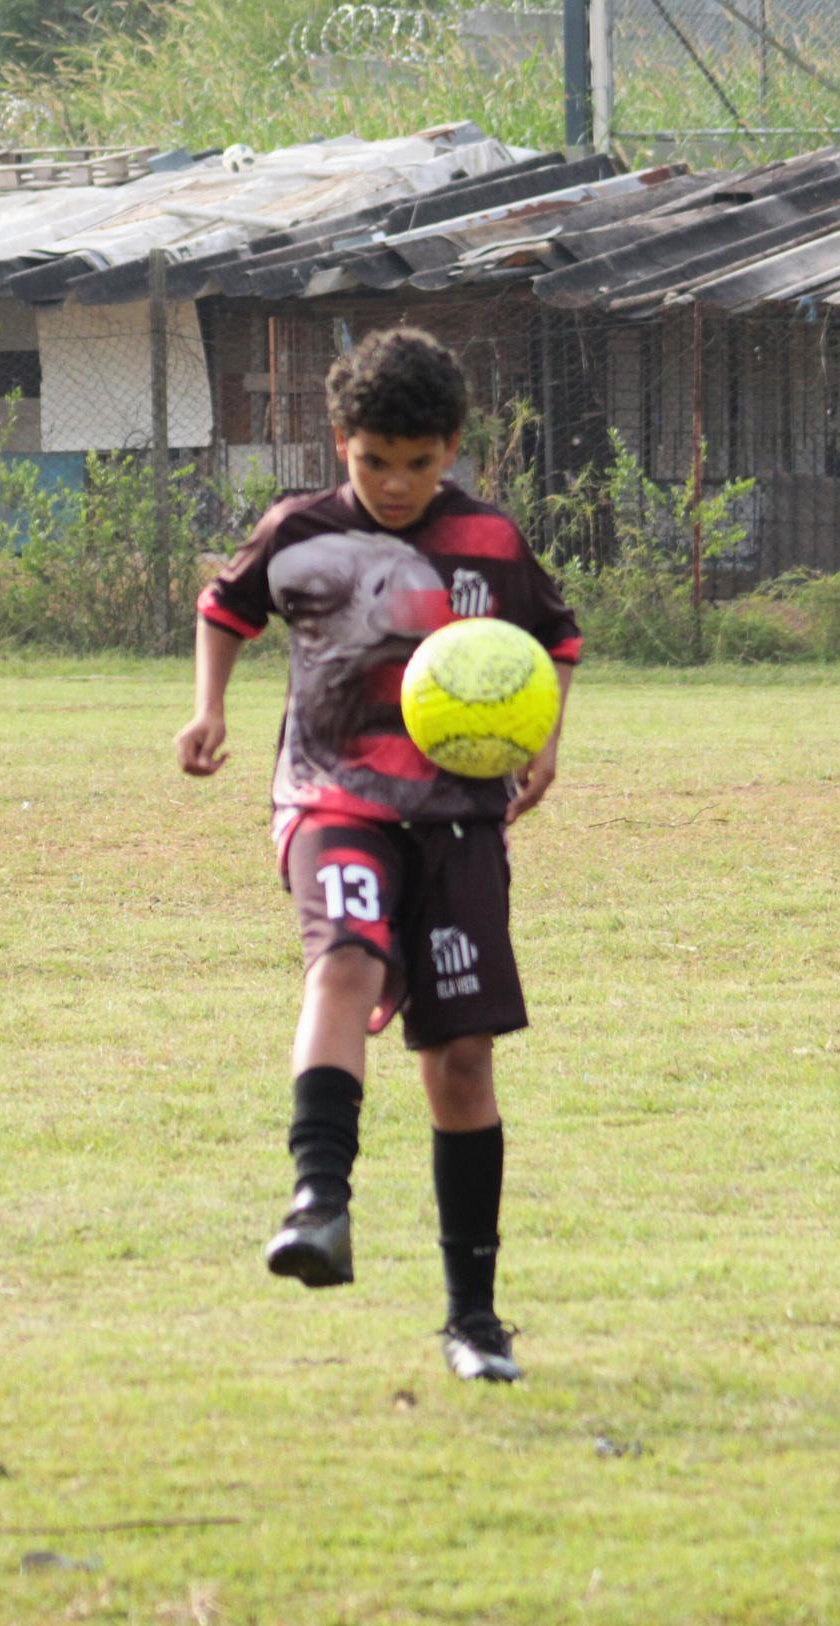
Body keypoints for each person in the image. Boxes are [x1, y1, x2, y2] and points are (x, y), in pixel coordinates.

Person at [173, 327, 580, 1383]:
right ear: (341, 442)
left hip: (458, 816)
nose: (396, 483)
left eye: (419, 462)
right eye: (373, 461)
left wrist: (545, 741)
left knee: (461, 1063)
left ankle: (474, 1318)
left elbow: (555, 641)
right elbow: (225, 606)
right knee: (342, 962)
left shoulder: (490, 539)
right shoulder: (297, 532)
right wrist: (208, 710)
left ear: (451, 448)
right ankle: (319, 1199)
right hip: (332, 797)